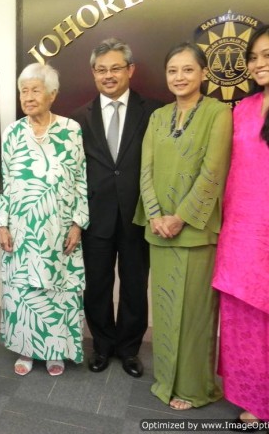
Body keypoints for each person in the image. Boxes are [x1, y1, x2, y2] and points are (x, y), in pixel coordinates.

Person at [134, 42, 232, 410]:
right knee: (164, 308)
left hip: (195, 230)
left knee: (193, 314)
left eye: (188, 69)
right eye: (173, 70)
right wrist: (156, 214)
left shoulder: (218, 113)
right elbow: (145, 170)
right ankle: (166, 380)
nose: (179, 77)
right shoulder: (158, 116)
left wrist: (180, 217)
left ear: (204, 73)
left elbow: (213, 172)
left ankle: (193, 388)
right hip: (158, 230)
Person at [71, 38, 162, 378]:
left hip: (138, 214)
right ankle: (102, 345)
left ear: (130, 70)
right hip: (96, 216)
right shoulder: (78, 118)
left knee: (135, 286)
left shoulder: (153, 112)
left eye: (115, 68)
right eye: (101, 70)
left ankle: (129, 350)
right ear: (93, 74)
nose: (108, 76)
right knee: (96, 285)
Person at [0, 63, 89, 377]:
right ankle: (26, 348)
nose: (29, 97)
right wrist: (1, 222)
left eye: (35, 90)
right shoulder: (12, 132)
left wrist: (77, 223)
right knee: (24, 291)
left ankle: (55, 351)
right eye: (24, 91)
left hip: (59, 227)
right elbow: (2, 181)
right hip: (21, 228)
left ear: (52, 94)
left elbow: (80, 178)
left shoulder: (71, 129)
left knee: (58, 289)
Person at [212, 25, 269, 429]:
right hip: (240, 231)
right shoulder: (243, 109)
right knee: (243, 318)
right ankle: (252, 397)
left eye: (267, 55)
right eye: (254, 57)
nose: (259, 63)